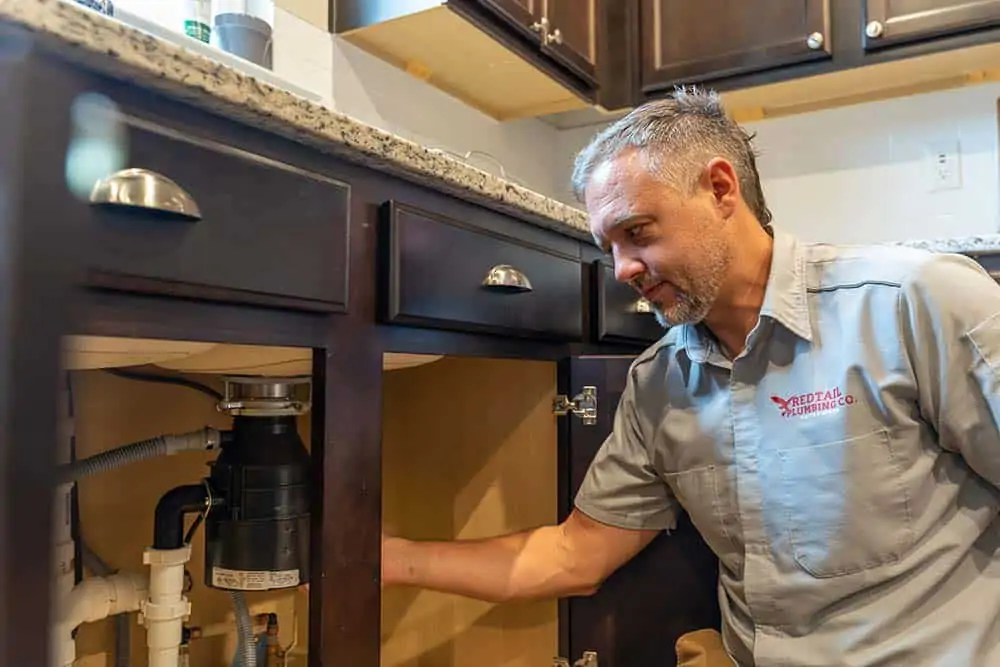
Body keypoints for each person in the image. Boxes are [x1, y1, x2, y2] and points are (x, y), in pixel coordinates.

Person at [381, 87, 1000, 666]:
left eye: (637, 233)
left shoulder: (914, 302)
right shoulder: (660, 383)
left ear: (721, 189)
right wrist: (387, 559)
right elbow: (576, 555)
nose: (622, 269)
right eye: (609, 247)